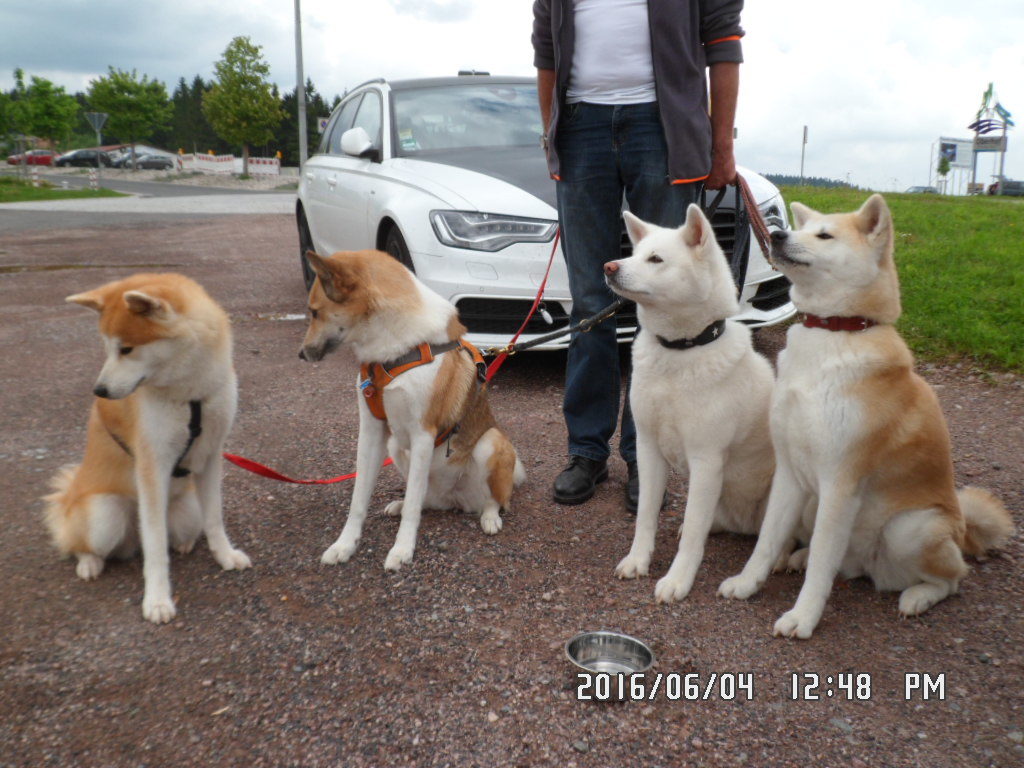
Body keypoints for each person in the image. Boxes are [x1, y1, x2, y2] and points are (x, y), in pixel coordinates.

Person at [531, 0, 743, 513]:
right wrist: (551, 134)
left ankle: (643, 458)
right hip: (581, 129)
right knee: (589, 302)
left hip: (662, 126)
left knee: (663, 303)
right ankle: (586, 452)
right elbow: (546, 52)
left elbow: (724, 44)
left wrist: (720, 145)